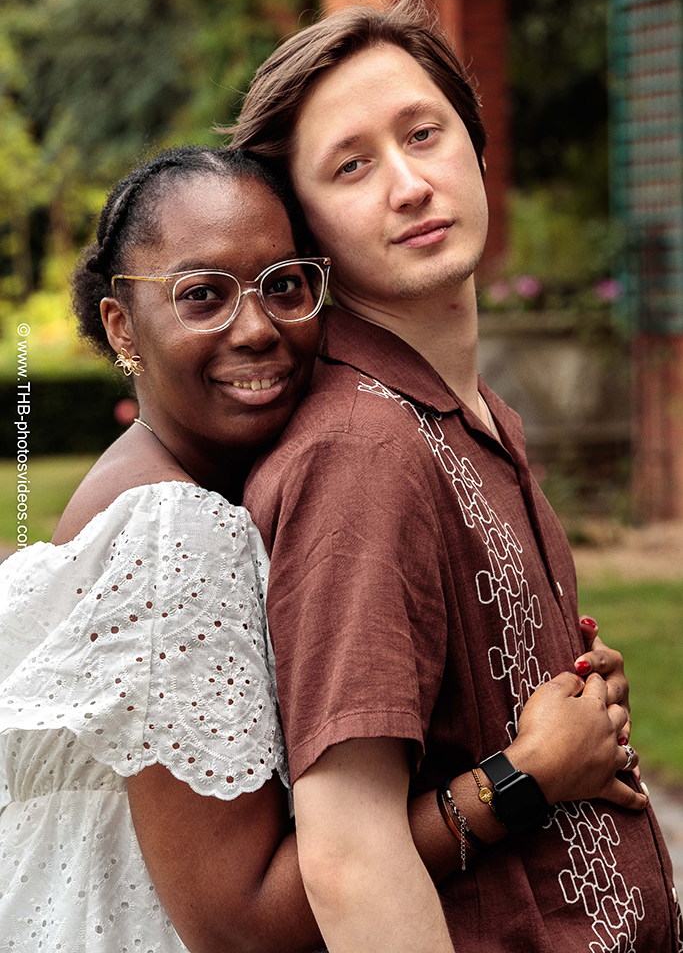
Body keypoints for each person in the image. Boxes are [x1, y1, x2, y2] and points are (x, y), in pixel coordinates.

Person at [0, 144, 630, 953]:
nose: (256, 327)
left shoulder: (207, 485)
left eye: (284, 286)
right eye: (202, 296)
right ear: (121, 325)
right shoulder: (172, 531)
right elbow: (240, 924)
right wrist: (523, 778)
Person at [230, 0, 680, 951]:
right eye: (351, 167)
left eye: (423, 134)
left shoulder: (473, 417)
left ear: (476, 151)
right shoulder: (361, 449)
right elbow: (347, 853)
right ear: (303, 236)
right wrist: (527, 775)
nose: (406, 184)